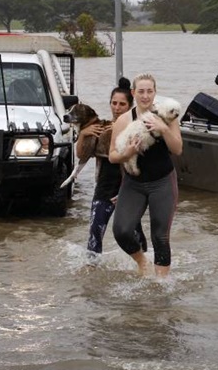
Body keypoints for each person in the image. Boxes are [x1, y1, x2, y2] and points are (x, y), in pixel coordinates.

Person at [108, 73, 182, 277]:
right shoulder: (124, 120)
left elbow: (178, 149)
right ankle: (142, 262)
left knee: (160, 236)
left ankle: (161, 285)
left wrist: (163, 129)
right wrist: (129, 153)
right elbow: (113, 157)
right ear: (133, 93)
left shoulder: (167, 114)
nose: (145, 96)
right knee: (121, 231)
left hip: (163, 182)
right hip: (134, 183)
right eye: (141, 91)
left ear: (155, 92)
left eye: (150, 91)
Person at [78, 78, 148, 258]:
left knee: (134, 234)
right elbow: (81, 156)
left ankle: (146, 267)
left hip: (129, 190)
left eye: (122, 104)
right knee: (95, 234)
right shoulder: (101, 129)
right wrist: (82, 134)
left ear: (130, 105)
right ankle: (91, 277)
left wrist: (129, 191)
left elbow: (143, 166)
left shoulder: (137, 130)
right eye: (114, 103)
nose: (117, 108)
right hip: (103, 189)